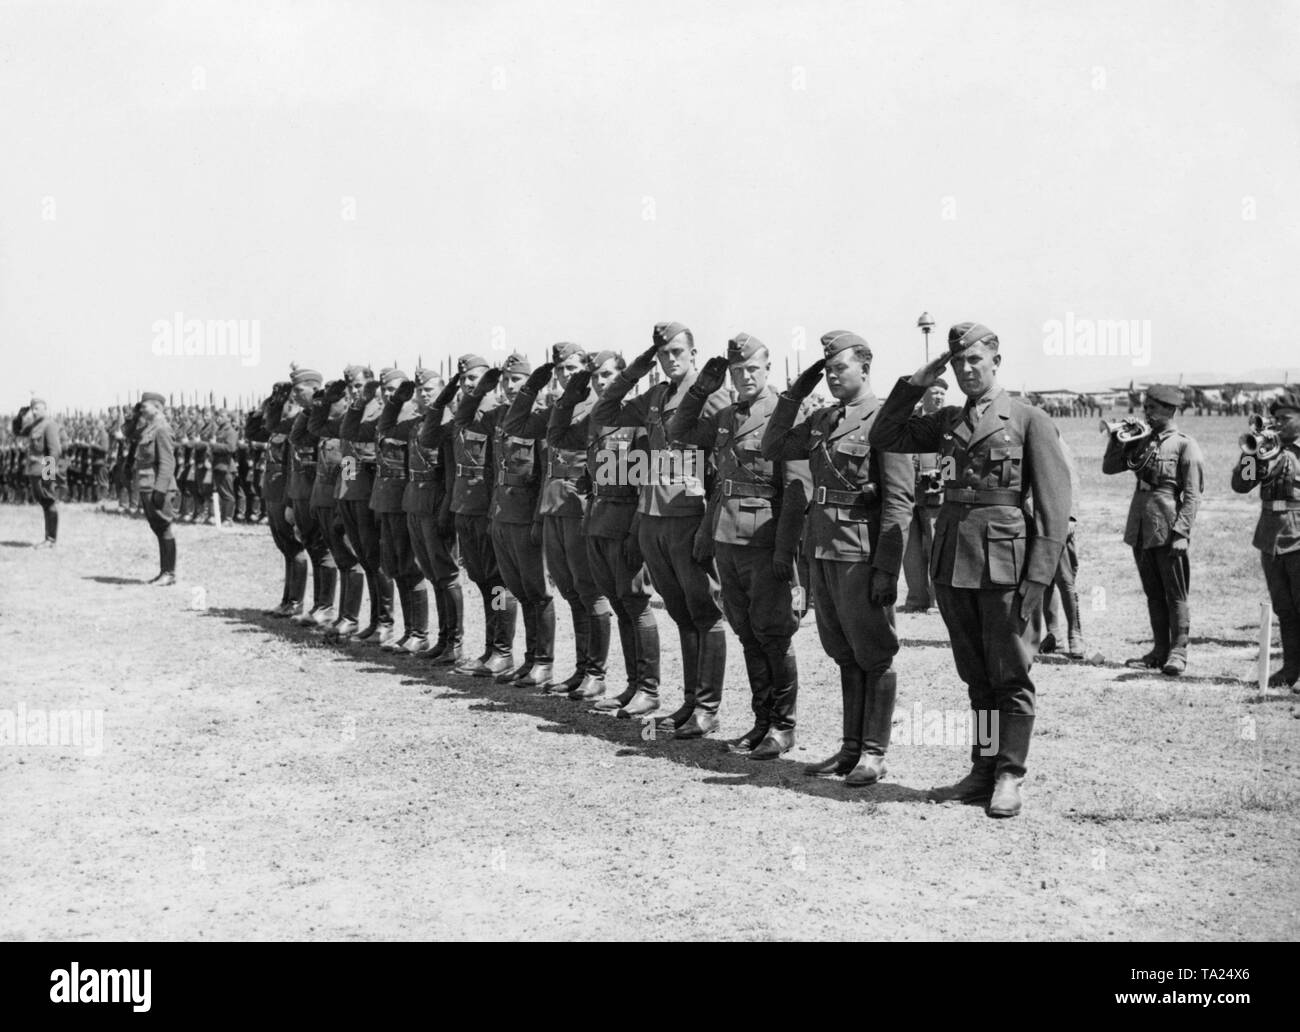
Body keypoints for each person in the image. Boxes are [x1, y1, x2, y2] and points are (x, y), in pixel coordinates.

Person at [869, 321, 1071, 818]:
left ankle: (1009, 774)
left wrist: (1040, 580)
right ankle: (982, 770)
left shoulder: (1028, 419)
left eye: (974, 360)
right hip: (955, 563)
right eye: (957, 362)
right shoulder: (947, 421)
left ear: (996, 361)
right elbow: (885, 432)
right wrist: (917, 381)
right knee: (976, 677)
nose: (965, 369)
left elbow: (1053, 508)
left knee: (1012, 676)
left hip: (1006, 565)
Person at [763, 332, 913, 782]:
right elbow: (774, 448)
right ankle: (849, 749)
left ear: (865, 369)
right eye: (826, 369)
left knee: (875, 654)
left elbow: (899, 502)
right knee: (843, 652)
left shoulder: (886, 418)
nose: (831, 375)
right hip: (823, 550)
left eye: (839, 368)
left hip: (860, 552)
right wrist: (794, 395)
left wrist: (886, 568)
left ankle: (873, 753)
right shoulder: (822, 418)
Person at [671, 333, 810, 759]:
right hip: (727, 540)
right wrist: (699, 391)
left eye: (752, 368)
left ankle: (783, 727)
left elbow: (797, 489)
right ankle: (761, 722)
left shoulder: (786, 413)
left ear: (767, 369)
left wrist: (785, 552)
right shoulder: (727, 414)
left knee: (774, 635)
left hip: (764, 541)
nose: (745, 376)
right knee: (748, 634)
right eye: (737, 371)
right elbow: (681, 432)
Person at [591, 322, 730, 738]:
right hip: (653, 515)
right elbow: (604, 412)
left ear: (692, 352)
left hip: (689, 517)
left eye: (676, 352)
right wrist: (634, 370)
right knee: (681, 613)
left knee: (706, 613)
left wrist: (710, 523)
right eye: (662, 353)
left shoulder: (709, 395)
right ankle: (690, 702)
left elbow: (722, 463)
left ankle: (707, 707)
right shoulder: (655, 395)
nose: (670, 359)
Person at [549, 351, 662, 716]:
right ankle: (632, 685)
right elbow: (557, 436)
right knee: (618, 604)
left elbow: (646, 482)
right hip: (596, 520)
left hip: (625, 523)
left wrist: (635, 532)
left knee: (637, 604)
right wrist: (573, 392)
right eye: (597, 376)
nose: (602, 382)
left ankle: (648, 687)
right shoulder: (598, 419)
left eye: (609, 375)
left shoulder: (638, 421)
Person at [506, 344, 614, 699]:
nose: (565, 375)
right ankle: (582, 669)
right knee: (570, 592)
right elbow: (517, 423)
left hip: (581, 508)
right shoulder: (558, 408)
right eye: (560, 370)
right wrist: (531, 387)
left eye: (572, 369)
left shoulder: (600, 406)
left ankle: (596, 672)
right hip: (553, 508)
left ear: (585, 370)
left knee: (590, 592)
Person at [458, 353, 554, 688]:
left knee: (536, 592)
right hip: (500, 515)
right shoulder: (497, 416)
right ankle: (513, 656)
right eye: (508, 380)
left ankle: (541, 660)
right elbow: (462, 418)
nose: (512, 386)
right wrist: (479, 389)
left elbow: (545, 473)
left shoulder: (542, 418)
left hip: (526, 518)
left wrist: (538, 520)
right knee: (513, 589)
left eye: (520, 381)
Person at [1103, 384, 1204, 675]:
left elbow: (1193, 495)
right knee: (1153, 593)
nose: (1146, 412)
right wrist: (1116, 439)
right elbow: (1109, 467)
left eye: (1153, 408)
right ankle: (1159, 650)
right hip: (1141, 525)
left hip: (1167, 524)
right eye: (1146, 406)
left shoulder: (1185, 445)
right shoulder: (1142, 440)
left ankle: (1178, 652)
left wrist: (1182, 533)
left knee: (1175, 593)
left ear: (1170, 410)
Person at [436, 356, 517, 677]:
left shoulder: (498, 413)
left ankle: (503, 651)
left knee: (498, 583)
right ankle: (489, 648)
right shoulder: (465, 413)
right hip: (465, 508)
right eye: (464, 378)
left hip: (488, 510)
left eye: (475, 378)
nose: (469, 383)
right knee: (482, 581)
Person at [1231, 388, 1300, 689]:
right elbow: (1241, 485)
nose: (1278, 424)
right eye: (1275, 419)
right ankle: (1291, 668)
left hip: (1299, 535)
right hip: (1271, 536)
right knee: (1284, 607)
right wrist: (1251, 455)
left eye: (1285, 419)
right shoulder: (1264, 448)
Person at [306, 374, 366, 641]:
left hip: (356, 500)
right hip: (342, 497)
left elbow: (350, 466)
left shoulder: (367, 420)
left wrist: (347, 497)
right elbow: (312, 428)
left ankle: (353, 618)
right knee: (343, 560)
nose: (354, 393)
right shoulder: (343, 422)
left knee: (356, 562)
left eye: (358, 387)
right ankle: (345, 617)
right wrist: (324, 402)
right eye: (350, 388)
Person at [374, 369, 430, 652]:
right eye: (385, 389)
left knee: (411, 568)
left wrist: (397, 403)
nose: (388, 394)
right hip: (386, 502)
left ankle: (420, 632)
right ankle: (409, 631)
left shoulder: (411, 419)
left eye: (395, 389)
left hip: (405, 502)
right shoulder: (389, 416)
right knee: (395, 566)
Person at [901, 379, 947, 613]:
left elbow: (953, 455)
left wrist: (944, 475)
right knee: (911, 547)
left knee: (936, 545)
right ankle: (916, 597)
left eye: (942, 393)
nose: (939, 397)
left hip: (935, 494)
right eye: (935, 392)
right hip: (910, 491)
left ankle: (937, 599)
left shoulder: (950, 422)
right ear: (925, 395)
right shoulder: (912, 421)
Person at [1041, 432, 1088, 659]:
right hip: (1034, 519)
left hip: (1058, 519)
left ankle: (1075, 635)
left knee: (1065, 579)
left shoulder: (1055, 439)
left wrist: (1071, 516)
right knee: (1043, 579)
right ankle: (1054, 636)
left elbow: (1072, 479)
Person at [132, 393, 179, 585]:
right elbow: (128, 433)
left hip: (155, 485)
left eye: (145, 406)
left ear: (158, 407)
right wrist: (134, 415)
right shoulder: (148, 427)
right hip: (145, 484)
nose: (141, 409)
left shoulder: (160, 428)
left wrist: (47, 477)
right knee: (158, 528)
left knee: (163, 527)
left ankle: (169, 573)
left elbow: (51, 452)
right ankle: (165, 572)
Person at [10, 397, 62, 547]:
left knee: (49, 502)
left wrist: (48, 474)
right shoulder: (34, 426)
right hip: (33, 470)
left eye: (36, 409)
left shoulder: (49, 425)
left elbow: (55, 450)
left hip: (43, 471)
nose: (33, 412)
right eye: (32, 409)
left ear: (45, 409)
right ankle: (48, 538)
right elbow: (17, 432)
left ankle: (50, 539)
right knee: (44, 502)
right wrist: (19, 417)